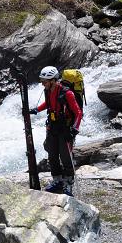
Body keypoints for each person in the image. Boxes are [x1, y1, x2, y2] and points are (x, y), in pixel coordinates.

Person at [29, 66, 82, 195]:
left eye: (45, 81)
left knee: (65, 158)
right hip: (52, 127)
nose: (42, 84)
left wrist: (74, 130)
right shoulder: (48, 91)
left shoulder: (67, 93)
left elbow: (78, 113)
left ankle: (68, 183)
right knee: (52, 156)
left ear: (53, 80)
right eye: (42, 81)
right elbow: (48, 103)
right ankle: (57, 180)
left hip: (65, 130)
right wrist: (36, 110)